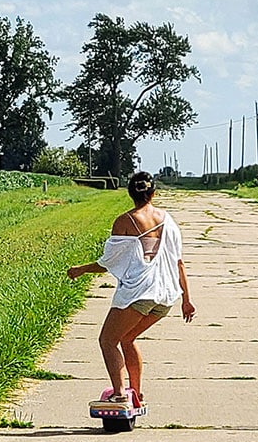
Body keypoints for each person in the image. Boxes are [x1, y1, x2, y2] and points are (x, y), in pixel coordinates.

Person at [66, 171, 194, 407]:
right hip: (165, 297)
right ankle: (136, 392)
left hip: (139, 294)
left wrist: (80, 269)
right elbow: (179, 262)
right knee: (127, 338)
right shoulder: (168, 220)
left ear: (130, 193)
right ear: (153, 193)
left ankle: (120, 394)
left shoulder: (125, 221)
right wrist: (186, 299)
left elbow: (109, 263)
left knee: (107, 340)